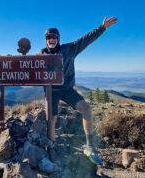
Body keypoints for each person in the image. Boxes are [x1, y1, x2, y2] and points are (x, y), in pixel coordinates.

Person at [38, 16, 118, 165]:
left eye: (54, 37)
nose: (51, 39)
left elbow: (85, 39)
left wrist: (102, 27)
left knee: (86, 109)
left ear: (58, 39)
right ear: (46, 40)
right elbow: (26, 66)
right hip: (51, 92)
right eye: (49, 37)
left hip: (67, 89)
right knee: (52, 119)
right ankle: (51, 148)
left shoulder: (69, 49)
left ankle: (90, 146)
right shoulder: (41, 54)